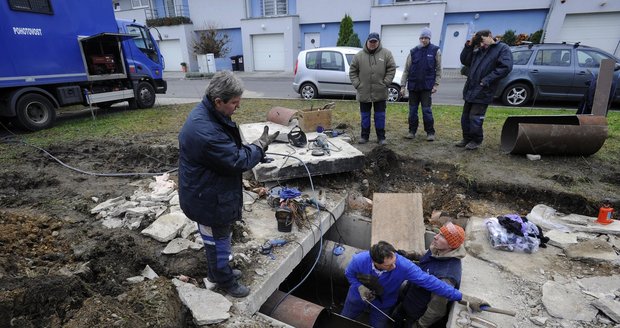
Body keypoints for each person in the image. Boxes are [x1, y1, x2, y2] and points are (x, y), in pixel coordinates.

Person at [178, 70, 279, 298]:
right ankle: (224, 281)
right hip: (208, 199)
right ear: (218, 101)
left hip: (206, 191)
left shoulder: (208, 115)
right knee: (218, 240)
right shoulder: (205, 131)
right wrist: (260, 146)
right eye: (234, 103)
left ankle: (217, 273)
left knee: (216, 237)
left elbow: (229, 153)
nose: (238, 107)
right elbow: (237, 160)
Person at [341, 240, 487, 328]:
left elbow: (432, 283)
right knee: (344, 321)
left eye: (394, 261)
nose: (394, 266)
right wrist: (358, 286)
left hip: (383, 304)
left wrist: (462, 297)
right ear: (375, 262)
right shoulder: (359, 260)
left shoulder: (403, 265)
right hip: (356, 299)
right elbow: (349, 274)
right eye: (389, 265)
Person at [395, 222, 466, 328]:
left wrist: (420, 325)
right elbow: (426, 254)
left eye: (442, 236)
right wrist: (410, 254)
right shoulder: (439, 249)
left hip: (417, 314)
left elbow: (436, 310)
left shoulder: (446, 276)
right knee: (395, 318)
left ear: (451, 244)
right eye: (439, 233)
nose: (436, 237)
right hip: (409, 299)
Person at [457, 29, 513, 150]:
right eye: (479, 43)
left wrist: (486, 80)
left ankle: (476, 140)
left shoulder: (502, 49)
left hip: (484, 89)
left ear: (490, 36)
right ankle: (466, 138)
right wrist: (470, 45)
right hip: (471, 88)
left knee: (475, 117)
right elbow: (465, 61)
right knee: (465, 117)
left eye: (483, 41)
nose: (482, 45)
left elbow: (505, 67)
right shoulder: (480, 49)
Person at [350, 32, 396, 145]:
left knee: (380, 116)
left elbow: (391, 69)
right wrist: (357, 84)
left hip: (380, 92)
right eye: (371, 41)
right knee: (365, 116)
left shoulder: (386, 54)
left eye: (375, 41)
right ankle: (364, 136)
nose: (373, 44)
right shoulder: (359, 56)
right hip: (364, 92)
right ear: (367, 41)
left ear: (378, 42)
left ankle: (381, 137)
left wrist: (386, 82)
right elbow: (352, 71)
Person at [400, 27, 442, 141]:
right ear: (419, 38)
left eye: (426, 38)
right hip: (413, 87)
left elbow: (438, 70)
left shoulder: (435, 51)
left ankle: (430, 132)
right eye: (422, 38)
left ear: (429, 38)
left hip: (426, 87)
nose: (424, 40)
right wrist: (402, 86)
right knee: (412, 111)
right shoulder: (413, 52)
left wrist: (436, 85)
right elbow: (406, 70)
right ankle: (412, 131)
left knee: (426, 111)